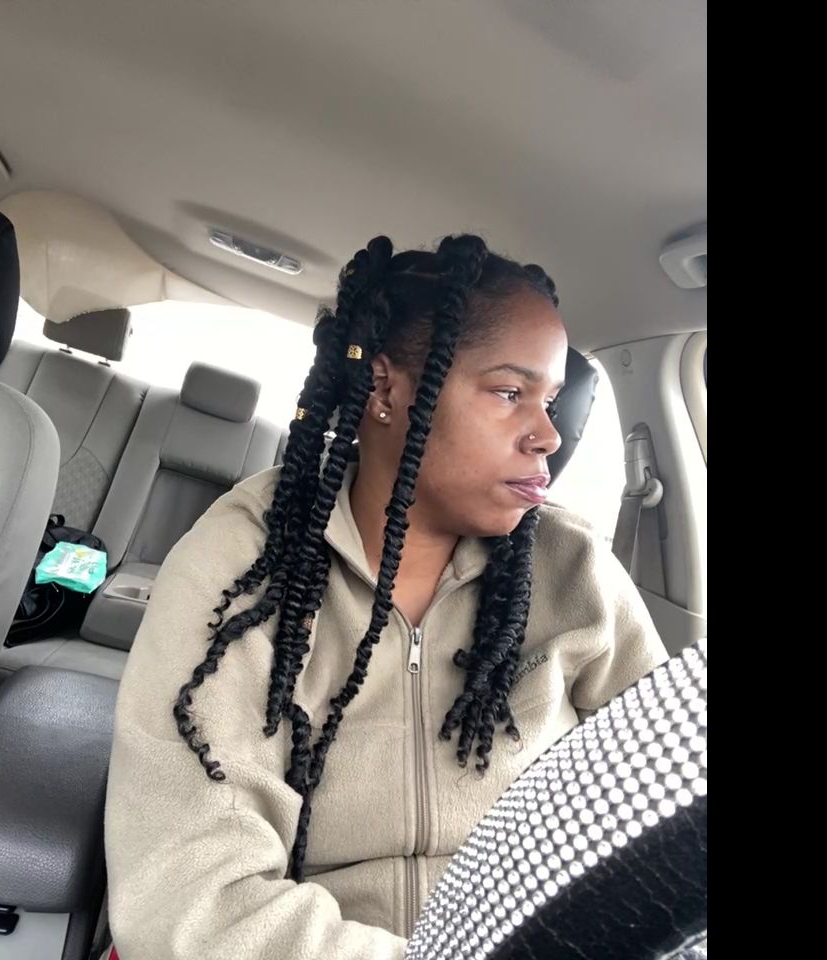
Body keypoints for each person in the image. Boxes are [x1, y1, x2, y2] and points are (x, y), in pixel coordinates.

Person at [104, 234, 668, 959]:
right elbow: (193, 898)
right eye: (509, 393)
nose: (548, 437)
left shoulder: (572, 568)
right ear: (385, 389)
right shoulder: (244, 561)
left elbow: (667, 808)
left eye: (552, 401)